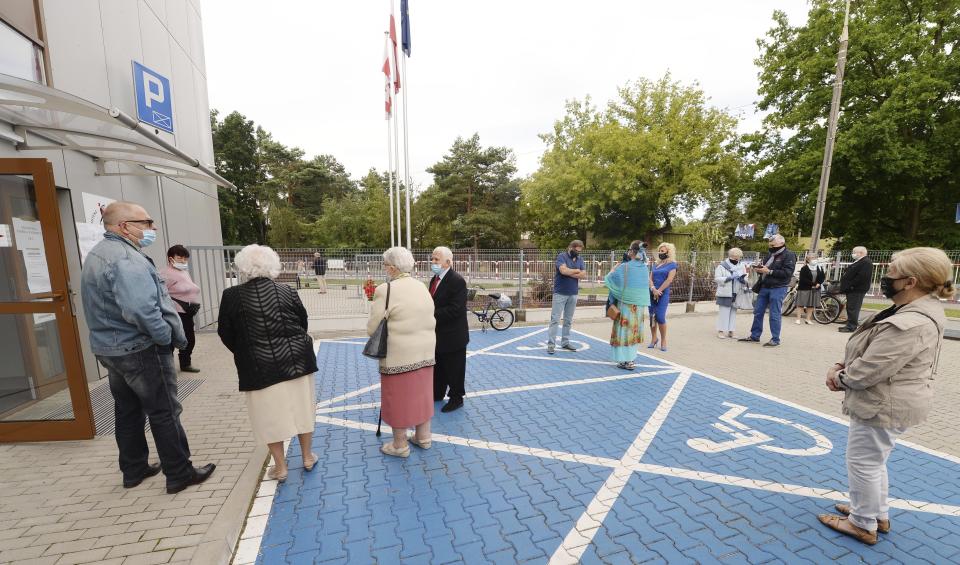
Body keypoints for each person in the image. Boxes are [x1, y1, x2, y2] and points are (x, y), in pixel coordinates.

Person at [819, 247, 952, 545]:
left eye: (892, 272)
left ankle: (862, 523)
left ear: (910, 281)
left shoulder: (911, 321)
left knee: (863, 462)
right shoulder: (910, 308)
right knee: (873, 460)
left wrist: (839, 377)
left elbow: (870, 370)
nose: (886, 276)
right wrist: (844, 364)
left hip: (883, 402)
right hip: (889, 399)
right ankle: (875, 513)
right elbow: (872, 349)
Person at [80, 201, 215, 494]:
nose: (152, 229)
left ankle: (134, 468)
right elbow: (142, 310)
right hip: (139, 349)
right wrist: (165, 338)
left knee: (127, 409)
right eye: (146, 223)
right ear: (125, 226)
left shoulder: (99, 254)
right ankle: (179, 472)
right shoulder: (126, 260)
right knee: (163, 410)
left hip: (111, 349)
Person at [217, 244, 319, 482]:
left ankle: (281, 467)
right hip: (297, 362)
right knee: (303, 410)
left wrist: (244, 350)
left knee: (268, 417)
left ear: (242, 268)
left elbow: (225, 333)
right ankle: (306, 456)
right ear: (273, 265)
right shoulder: (287, 291)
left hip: (257, 367)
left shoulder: (231, 296)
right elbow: (302, 322)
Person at [368, 247, 436, 457]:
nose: (385, 269)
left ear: (392, 267)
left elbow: (372, 328)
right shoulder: (421, 286)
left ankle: (400, 445)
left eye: (385, 265)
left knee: (397, 397)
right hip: (425, 351)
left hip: (399, 355)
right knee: (422, 394)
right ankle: (423, 437)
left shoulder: (385, 290)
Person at [428, 246, 469, 413]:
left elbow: (456, 309)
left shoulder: (457, 281)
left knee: (455, 369)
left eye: (436, 259)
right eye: (432, 259)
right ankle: (437, 393)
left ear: (448, 262)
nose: (433, 262)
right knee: (438, 367)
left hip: (453, 335)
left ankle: (456, 398)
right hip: (437, 334)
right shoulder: (434, 279)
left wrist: (430, 314)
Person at [738, 234, 797, 347]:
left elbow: (787, 273)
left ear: (781, 243)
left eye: (773, 244)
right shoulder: (770, 254)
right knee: (758, 311)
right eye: (770, 244)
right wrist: (759, 269)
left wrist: (769, 271)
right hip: (764, 287)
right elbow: (765, 268)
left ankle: (775, 339)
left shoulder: (789, 255)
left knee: (774, 314)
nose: (770, 246)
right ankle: (755, 336)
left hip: (778, 288)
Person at [605, 241, 651, 370]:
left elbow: (609, 279)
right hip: (639, 305)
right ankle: (631, 360)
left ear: (631, 251)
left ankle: (623, 360)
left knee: (623, 331)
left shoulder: (624, 267)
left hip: (625, 305)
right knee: (634, 330)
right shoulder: (644, 268)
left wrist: (618, 265)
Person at [161, 244, 201, 372]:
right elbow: (160, 293)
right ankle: (167, 367)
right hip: (175, 311)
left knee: (189, 339)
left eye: (185, 258)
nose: (183, 261)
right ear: (170, 258)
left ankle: (185, 363)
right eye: (179, 258)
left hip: (187, 311)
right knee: (173, 339)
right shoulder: (165, 274)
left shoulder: (183, 272)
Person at [547, 240, 586, 355]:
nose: (577, 253)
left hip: (573, 293)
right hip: (560, 293)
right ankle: (551, 344)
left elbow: (583, 275)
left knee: (568, 320)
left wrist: (571, 272)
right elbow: (563, 271)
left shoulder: (580, 259)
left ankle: (565, 342)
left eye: (579, 251)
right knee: (555, 319)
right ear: (571, 247)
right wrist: (576, 271)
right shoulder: (561, 257)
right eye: (576, 250)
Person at [647, 242, 678, 352]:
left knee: (660, 317)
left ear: (668, 252)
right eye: (659, 251)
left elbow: (669, 280)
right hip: (652, 293)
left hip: (663, 294)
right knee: (652, 317)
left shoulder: (672, 265)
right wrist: (653, 289)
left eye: (662, 251)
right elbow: (650, 278)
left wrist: (659, 290)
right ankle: (654, 338)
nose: (660, 253)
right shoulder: (655, 265)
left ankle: (664, 340)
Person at [837, 246, 873, 333]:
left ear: (860, 253)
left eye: (854, 252)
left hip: (856, 289)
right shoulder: (860, 261)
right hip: (853, 289)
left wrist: (851, 286)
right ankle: (850, 323)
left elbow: (861, 277)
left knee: (853, 307)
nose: (853, 253)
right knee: (850, 307)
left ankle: (851, 326)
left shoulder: (866, 262)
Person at [714, 247, 748, 338]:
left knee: (733, 312)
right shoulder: (722, 266)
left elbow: (746, 278)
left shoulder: (741, 265)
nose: (737, 260)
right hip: (725, 292)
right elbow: (717, 278)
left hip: (736, 292)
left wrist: (742, 279)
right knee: (724, 312)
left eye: (738, 258)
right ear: (731, 256)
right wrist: (729, 278)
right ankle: (720, 331)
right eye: (735, 258)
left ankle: (731, 331)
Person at [795, 252, 825, 325]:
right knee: (801, 304)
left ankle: (808, 319)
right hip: (805, 288)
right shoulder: (804, 268)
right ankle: (798, 319)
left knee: (811, 304)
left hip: (815, 289)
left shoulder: (819, 267)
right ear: (808, 260)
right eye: (812, 258)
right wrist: (814, 284)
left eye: (815, 258)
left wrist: (819, 283)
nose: (814, 260)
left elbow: (822, 277)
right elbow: (803, 279)